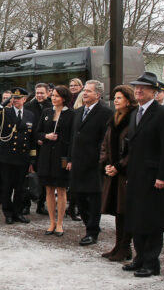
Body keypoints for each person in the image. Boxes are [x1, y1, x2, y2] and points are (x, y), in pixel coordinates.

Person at [122, 72, 164, 277]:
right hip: (137, 176)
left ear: (154, 92)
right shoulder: (136, 113)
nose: (138, 91)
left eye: (143, 88)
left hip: (154, 177)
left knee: (152, 220)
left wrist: (163, 176)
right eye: (136, 87)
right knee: (137, 218)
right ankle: (139, 258)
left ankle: (151, 262)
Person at [68, 80, 112, 246]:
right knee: (79, 198)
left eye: (88, 91)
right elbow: (73, 138)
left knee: (93, 200)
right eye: (84, 91)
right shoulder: (78, 112)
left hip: (94, 164)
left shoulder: (105, 113)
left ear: (98, 95)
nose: (84, 93)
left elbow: (105, 141)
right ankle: (89, 225)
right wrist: (70, 159)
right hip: (77, 163)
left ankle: (92, 231)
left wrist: (100, 161)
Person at [99, 85, 137, 261]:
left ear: (128, 100)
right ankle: (118, 245)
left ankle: (125, 247)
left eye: (119, 97)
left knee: (126, 211)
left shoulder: (133, 119)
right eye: (114, 97)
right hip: (113, 172)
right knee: (117, 211)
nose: (115, 100)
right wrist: (106, 164)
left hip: (125, 174)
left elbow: (134, 149)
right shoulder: (113, 119)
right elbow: (106, 144)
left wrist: (119, 167)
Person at [0, 87, 36, 224]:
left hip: (22, 157)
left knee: (20, 188)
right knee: (7, 187)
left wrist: (32, 158)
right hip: (7, 157)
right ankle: (8, 213)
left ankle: (18, 213)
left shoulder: (29, 115)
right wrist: (3, 104)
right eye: (13, 98)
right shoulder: (5, 112)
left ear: (25, 100)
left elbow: (31, 138)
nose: (15, 100)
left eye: (18, 98)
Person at [35, 86, 74, 236]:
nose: (54, 98)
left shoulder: (71, 114)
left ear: (64, 98)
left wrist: (70, 158)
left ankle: (60, 223)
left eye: (57, 96)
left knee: (61, 189)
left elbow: (72, 138)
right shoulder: (46, 112)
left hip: (62, 156)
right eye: (53, 95)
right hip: (46, 156)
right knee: (49, 189)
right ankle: (51, 222)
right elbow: (37, 133)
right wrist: (46, 136)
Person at [25, 83, 53, 215]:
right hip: (31, 145)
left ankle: (41, 204)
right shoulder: (28, 106)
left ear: (48, 93)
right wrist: (37, 138)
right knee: (28, 176)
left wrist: (45, 138)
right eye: (37, 93)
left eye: (42, 93)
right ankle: (25, 204)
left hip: (46, 147)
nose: (39, 95)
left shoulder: (51, 106)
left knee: (43, 177)